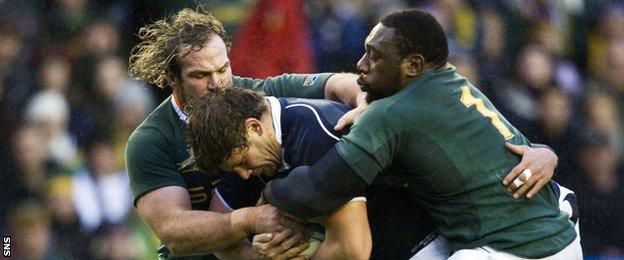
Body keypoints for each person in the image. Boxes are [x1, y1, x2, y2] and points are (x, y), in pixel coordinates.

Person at [262, 9, 583, 259]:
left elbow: (315, 192)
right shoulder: (449, 80)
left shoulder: (393, 113)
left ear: (413, 65)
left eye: (375, 56)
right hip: (560, 226)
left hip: (516, 249)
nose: (361, 64)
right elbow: (315, 83)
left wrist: (268, 190)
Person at [186, 87, 562, 259]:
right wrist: (258, 232)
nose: (244, 176)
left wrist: (545, 152)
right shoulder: (256, 146)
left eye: (241, 162)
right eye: (233, 169)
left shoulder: (318, 132)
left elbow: (352, 248)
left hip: (426, 248)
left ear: (254, 127)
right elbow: (222, 232)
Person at [125, 8, 365, 259]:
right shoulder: (151, 141)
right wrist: (250, 219)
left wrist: (364, 100)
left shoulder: (251, 96)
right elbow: (174, 231)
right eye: (201, 75)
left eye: (223, 69)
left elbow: (333, 84)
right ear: (172, 78)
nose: (217, 84)